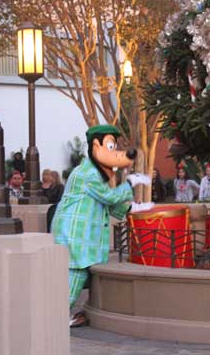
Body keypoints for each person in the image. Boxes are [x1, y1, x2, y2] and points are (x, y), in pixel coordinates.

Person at [51, 124, 151, 327]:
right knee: (75, 275)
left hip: (78, 235)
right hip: (74, 235)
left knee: (76, 276)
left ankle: (61, 316)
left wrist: (135, 209)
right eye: (109, 146)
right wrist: (131, 183)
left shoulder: (93, 173)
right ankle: (57, 320)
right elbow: (109, 196)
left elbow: (107, 205)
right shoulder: (88, 173)